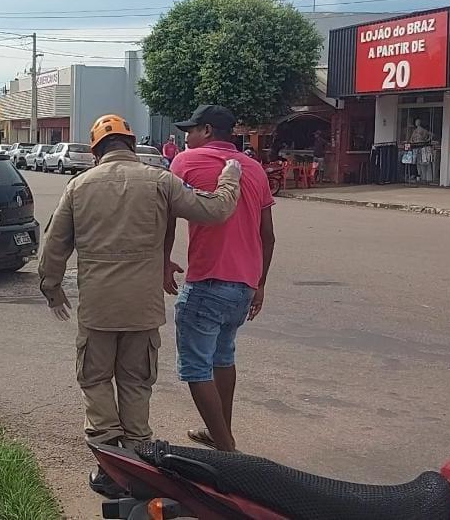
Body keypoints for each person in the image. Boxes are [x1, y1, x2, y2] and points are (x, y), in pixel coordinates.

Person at [38, 113, 242, 493]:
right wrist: (230, 177)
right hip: (142, 311)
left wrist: (52, 288)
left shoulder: (79, 186)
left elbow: (53, 247)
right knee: (135, 383)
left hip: (98, 310)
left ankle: (109, 463)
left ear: (96, 151)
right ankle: (136, 466)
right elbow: (216, 210)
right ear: (131, 145)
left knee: (96, 380)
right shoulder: (161, 181)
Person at [166, 105, 276, 452]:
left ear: (208, 131)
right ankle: (219, 432)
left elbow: (166, 215)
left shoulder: (186, 161)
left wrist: (162, 260)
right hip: (243, 285)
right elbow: (267, 235)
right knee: (222, 357)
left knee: (196, 366)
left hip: (207, 281)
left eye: (192, 129)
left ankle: (227, 449)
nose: (186, 136)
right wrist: (259, 284)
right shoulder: (255, 169)